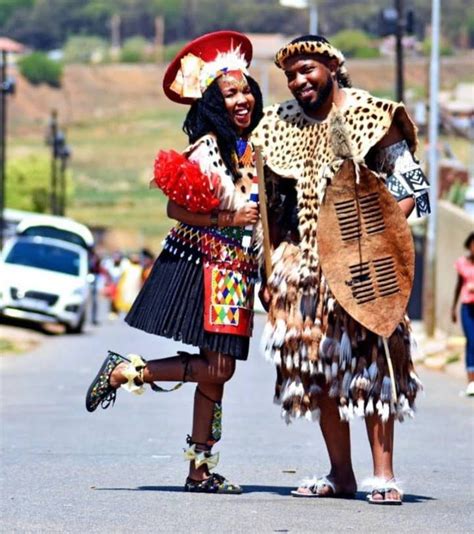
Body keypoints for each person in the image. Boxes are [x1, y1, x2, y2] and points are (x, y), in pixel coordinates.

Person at [254, 35, 430, 504]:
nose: (298, 81)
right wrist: (265, 274)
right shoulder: (276, 127)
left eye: (307, 69)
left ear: (332, 66)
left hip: (364, 266)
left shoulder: (371, 115)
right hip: (303, 272)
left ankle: (384, 475)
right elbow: (268, 213)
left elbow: (418, 188)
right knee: (318, 370)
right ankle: (341, 473)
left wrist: (375, 233)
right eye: (291, 75)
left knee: (376, 365)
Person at [85, 31, 263, 494]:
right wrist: (230, 215)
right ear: (212, 102)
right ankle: (129, 371)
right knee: (219, 369)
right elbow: (175, 209)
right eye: (230, 93)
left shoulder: (252, 146)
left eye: (246, 90)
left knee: (217, 372)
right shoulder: (207, 150)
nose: (242, 99)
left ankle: (199, 471)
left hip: (240, 270)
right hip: (210, 267)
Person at [451, 232, 474, 396]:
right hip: (467, 307)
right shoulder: (462, 263)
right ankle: (471, 381)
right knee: (471, 341)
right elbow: (458, 285)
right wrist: (453, 307)